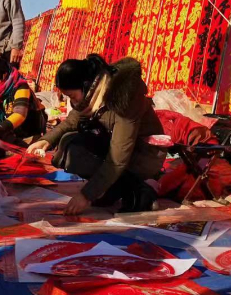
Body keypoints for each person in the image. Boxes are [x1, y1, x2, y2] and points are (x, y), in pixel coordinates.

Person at [26, 55, 165, 215]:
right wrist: (46, 140)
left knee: (76, 152)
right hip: (118, 147)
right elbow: (72, 121)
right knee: (69, 145)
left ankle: (138, 191)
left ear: (85, 85)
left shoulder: (125, 98)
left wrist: (86, 195)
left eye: (71, 96)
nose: (72, 101)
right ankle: (112, 188)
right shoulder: (93, 93)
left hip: (145, 154)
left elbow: (118, 157)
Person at [0, 54, 46, 146]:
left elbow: (20, 114)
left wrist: (0, 128)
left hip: (26, 127)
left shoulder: (20, 86)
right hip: (1, 127)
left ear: (4, 75)